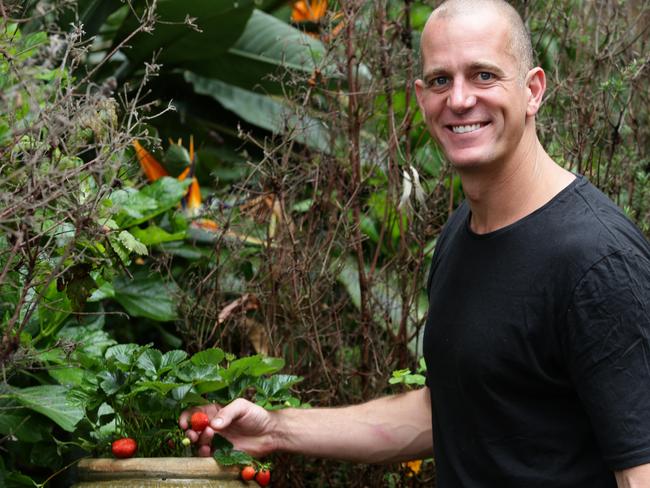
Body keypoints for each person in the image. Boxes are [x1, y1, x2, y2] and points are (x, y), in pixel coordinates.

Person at [179, 0, 650, 485]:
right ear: (421, 97)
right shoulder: (461, 233)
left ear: (532, 90)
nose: (460, 100)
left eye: (484, 75)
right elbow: (449, 412)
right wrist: (275, 429)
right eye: (442, 80)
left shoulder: (597, 262)